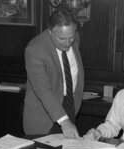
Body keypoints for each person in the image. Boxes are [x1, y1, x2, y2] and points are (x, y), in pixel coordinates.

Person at [23, 9, 84, 138]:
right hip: (43, 118)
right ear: (50, 32)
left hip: (70, 106)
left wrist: (69, 116)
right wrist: (64, 121)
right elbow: (43, 89)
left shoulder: (75, 38)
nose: (68, 43)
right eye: (62, 38)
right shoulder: (35, 50)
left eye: (71, 37)